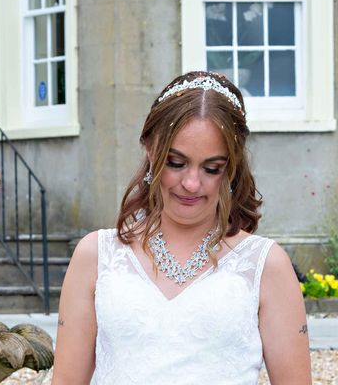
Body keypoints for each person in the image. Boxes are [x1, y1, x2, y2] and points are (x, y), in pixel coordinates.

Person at [52, 71, 311, 384]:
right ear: (150, 150)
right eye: (176, 162)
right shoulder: (96, 255)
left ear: (231, 168)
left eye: (211, 168)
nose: (191, 183)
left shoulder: (266, 265)